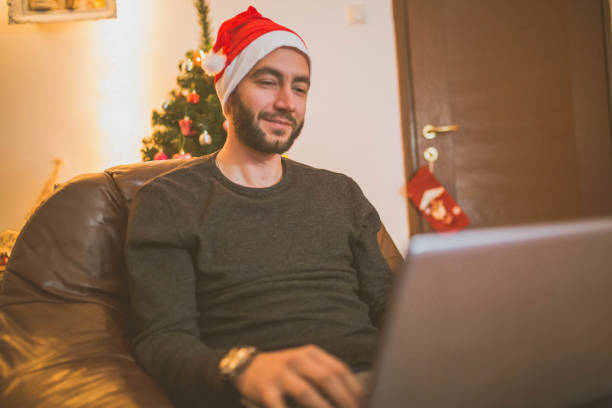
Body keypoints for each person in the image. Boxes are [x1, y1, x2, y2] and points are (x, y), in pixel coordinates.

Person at [125, 6, 395, 408]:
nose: (287, 102)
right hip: (269, 394)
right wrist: (243, 368)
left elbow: (390, 304)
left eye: (300, 88)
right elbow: (162, 339)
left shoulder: (340, 192)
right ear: (229, 95)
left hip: (378, 383)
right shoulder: (168, 201)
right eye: (268, 82)